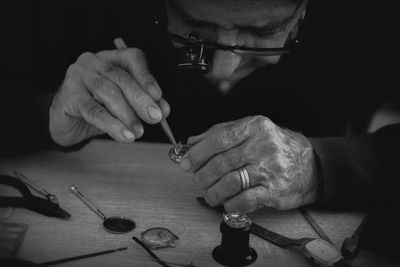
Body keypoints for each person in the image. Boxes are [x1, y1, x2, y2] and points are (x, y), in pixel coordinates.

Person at [1, 0, 400, 214]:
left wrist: (321, 165)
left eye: (264, 32)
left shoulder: (376, 13)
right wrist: (43, 115)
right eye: (196, 28)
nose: (224, 66)